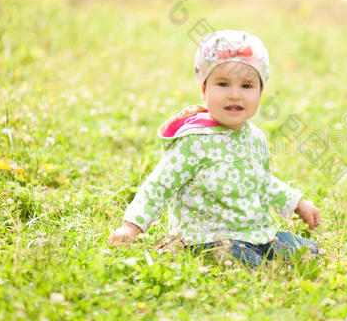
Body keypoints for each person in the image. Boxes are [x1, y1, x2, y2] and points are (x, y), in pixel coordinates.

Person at [108, 29, 321, 268]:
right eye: (223, 83)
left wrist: (297, 202)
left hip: (255, 234)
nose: (234, 94)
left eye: (247, 86)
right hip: (206, 239)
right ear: (203, 89)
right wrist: (131, 226)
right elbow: (160, 185)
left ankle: (263, 252)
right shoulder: (194, 141)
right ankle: (240, 259)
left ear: (261, 92)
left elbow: (262, 180)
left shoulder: (255, 138)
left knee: (306, 250)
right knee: (246, 262)